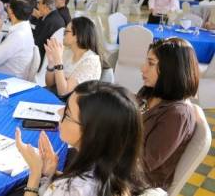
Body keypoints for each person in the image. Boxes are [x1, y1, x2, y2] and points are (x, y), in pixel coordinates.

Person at [16, 80, 149, 196]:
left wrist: (35, 173)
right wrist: (51, 173)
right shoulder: (118, 170)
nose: (59, 112)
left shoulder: (73, 188)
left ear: (90, 132)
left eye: (67, 113)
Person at [138, 37, 199, 190]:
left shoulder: (177, 115)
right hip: (118, 165)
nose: (142, 68)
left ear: (171, 69)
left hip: (137, 184)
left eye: (151, 63)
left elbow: (143, 164)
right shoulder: (151, 92)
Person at [45, 16, 102, 97]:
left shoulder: (90, 61)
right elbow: (50, 84)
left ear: (77, 35)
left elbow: (63, 93)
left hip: (75, 105)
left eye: (66, 32)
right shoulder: (68, 53)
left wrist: (58, 61)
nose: (63, 35)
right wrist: (51, 62)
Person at [30, 0, 65, 68]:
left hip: (43, 57)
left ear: (45, 6)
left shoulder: (50, 21)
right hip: (48, 53)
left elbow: (37, 41)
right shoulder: (54, 16)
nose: (37, 6)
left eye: (39, 3)